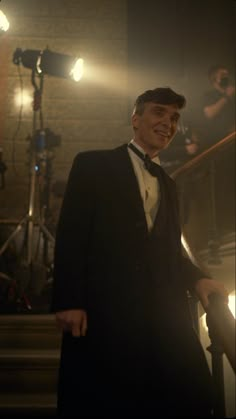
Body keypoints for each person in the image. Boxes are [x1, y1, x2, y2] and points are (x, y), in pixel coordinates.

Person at [51, 87, 228, 417]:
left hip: (159, 310)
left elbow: (168, 247)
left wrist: (199, 278)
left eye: (174, 117)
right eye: (158, 113)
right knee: (103, 401)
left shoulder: (171, 185)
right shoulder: (93, 164)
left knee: (195, 396)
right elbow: (72, 234)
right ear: (136, 119)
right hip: (103, 309)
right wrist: (68, 299)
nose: (168, 123)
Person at [200, 64, 235, 147]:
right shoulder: (208, 95)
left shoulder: (233, 95)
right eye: (223, 75)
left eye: (227, 74)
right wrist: (227, 96)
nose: (226, 77)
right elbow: (210, 113)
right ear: (214, 79)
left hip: (232, 140)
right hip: (217, 142)